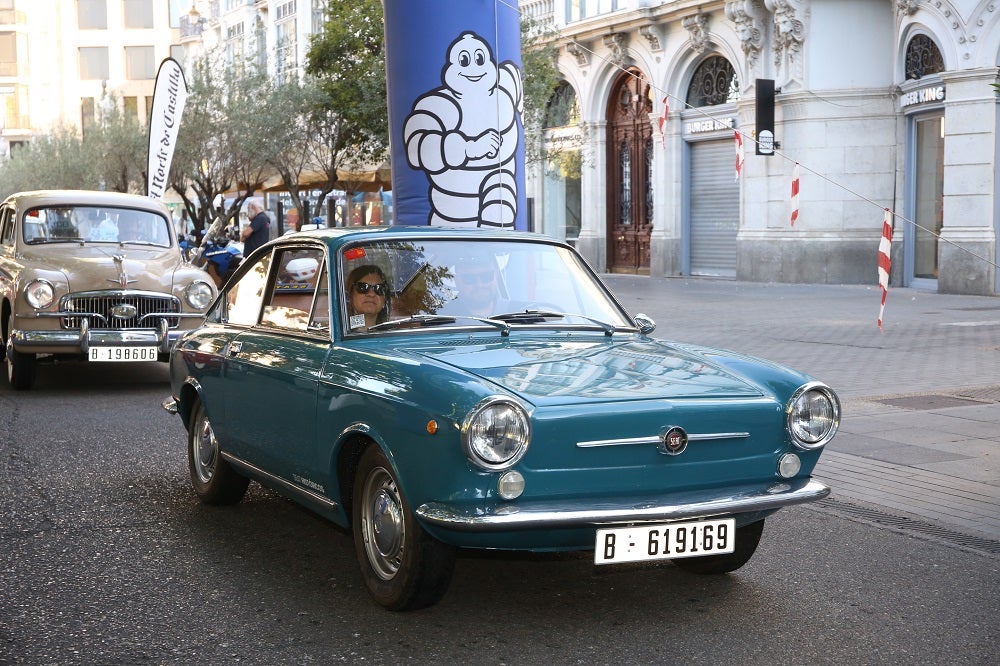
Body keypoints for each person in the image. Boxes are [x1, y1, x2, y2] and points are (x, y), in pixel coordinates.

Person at [346, 264, 390, 331]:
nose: (371, 294)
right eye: (363, 287)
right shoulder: (338, 333)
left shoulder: (394, 336)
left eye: (379, 289)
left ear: (384, 300)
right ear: (350, 295)